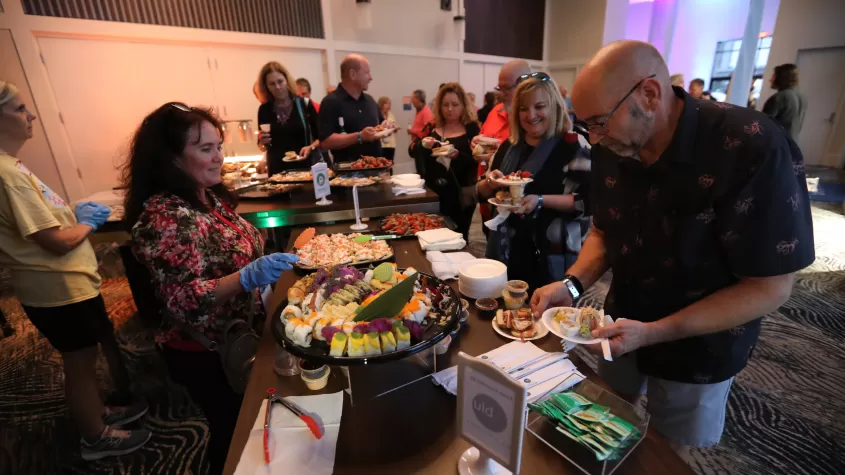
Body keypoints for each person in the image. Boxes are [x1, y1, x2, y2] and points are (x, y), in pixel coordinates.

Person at [532, 40, 813, 453]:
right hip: (621, 325)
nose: (593, 137)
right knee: (604, 423)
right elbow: (604, 231)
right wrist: (571, 286)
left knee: (666, 453)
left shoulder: (750, 146)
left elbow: (770, 284)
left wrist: (657, 332)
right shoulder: (613, 143)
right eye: (585, 125)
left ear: (649, 94)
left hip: (701, 348)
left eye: (600, 121)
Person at [123, 103, 299, 475]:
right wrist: (246, 278)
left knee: (250, 421)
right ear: (171, 158)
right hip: (206, 349)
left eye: (218, 146)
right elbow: (182, 300)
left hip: (240, 329)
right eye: (205, 149)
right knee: (232, 432)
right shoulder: (166, 215)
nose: (219, 157)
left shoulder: (207, 195)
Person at [0, 81, 150, 461]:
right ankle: (95, 437)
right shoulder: (8, 175)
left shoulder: (10, 166)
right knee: (80, 364)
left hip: (61, 285)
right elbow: (56, 241)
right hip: (58, 288)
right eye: (19, 109)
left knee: (83, 357)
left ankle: (97, 412)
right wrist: (86, 224)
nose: (30, 115)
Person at [476, 74, 591, 290]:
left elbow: (587, 202)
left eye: (539, 106)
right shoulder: (508, 147)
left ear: (554, 106)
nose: (531, 115)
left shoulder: (573, 146)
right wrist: (490, 183)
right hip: (508, 250)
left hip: (552, 254)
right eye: (523, 108)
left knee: (545, 316)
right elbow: (481, 192)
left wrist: (539, 200)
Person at [409, 83, 480, 240]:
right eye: (445, 105)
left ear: (463, 105)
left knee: (459, 237)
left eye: (455, 105)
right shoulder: (433, 126)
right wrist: (422, 145)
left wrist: (457, 155)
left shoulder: (471, 129)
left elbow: (478, 160)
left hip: (460, 194)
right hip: (433, 192)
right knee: (432, 235)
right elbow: (412, 150)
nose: (449, 109)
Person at [476, 60, 533, 232]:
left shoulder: (533, 122)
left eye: (508, 88)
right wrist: (478, 145)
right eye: (500, 88)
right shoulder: (496, 111)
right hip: (491, 201)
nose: (502, 94)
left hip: (521, 213)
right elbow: (485, 140)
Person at [318, 54, 392, 164]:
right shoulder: (330, 102)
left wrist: (387, 125)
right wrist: (359, 136)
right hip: (348, 175)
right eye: (367, 72)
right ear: (352, 74)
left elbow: (380, 126)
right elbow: (325, 142)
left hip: (376, 170)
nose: (371, 77)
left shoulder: (370, 100)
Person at [255, 62, 320, 175]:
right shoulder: (264, 109)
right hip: (277, 173)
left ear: (287, 80)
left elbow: (321, 138)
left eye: (280, 81)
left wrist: (311, 147)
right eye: (272, 84)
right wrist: (262, 142)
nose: (277, 87)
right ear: (266, 87)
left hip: (303, 169)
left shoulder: (304, 104)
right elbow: (262, 146)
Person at [763, 63, 808, 141]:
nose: (770, 79)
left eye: (773, 76)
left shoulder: (779, 97)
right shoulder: (802, 95)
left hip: (775, 144)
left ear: (781, 78)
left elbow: (763, 125)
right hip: (792, 144)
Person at [378, 96, 396, 160]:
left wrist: (395, 128)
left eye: (390, 103)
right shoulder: (377, 114)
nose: (389, 105)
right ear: (381, 104)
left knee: (390, 163)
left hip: (391, 144)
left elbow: (394, 128)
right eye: (387, 103)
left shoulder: (391, 115)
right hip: (381, 144)